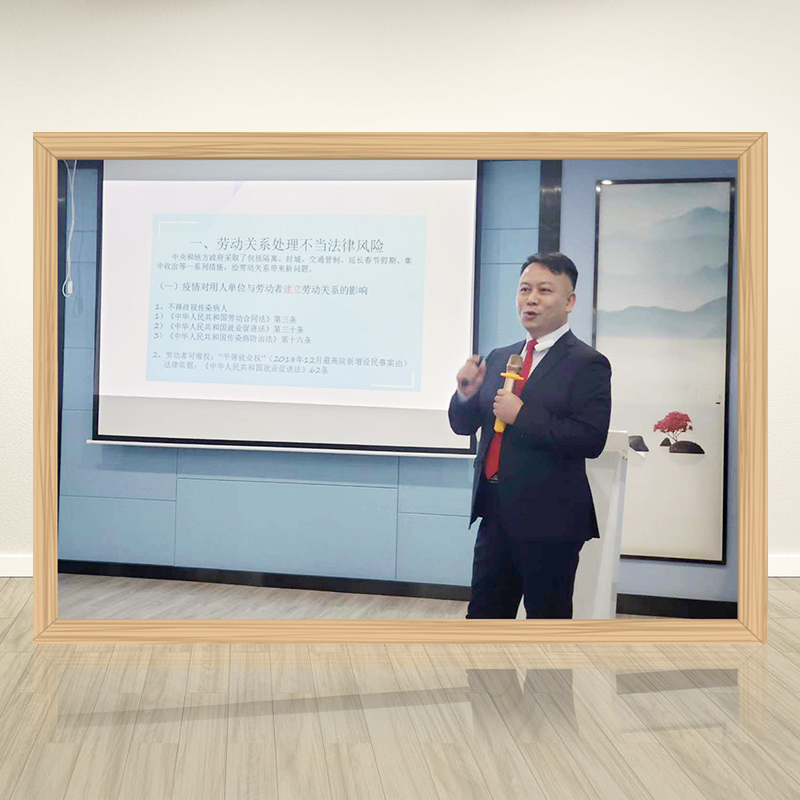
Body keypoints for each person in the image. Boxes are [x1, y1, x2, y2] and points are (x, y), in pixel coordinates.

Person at [449, 252, 612, 619]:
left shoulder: (587, 363)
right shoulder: (501, 356)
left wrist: (522, 415)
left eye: (544, 290)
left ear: (569, 302)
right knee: (484, 620)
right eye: (524, 289)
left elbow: (591, 439)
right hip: (494, 514)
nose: (531, 299)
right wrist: (465, 394)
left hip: (551, 521)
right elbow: (463, 426)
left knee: (546, 627)